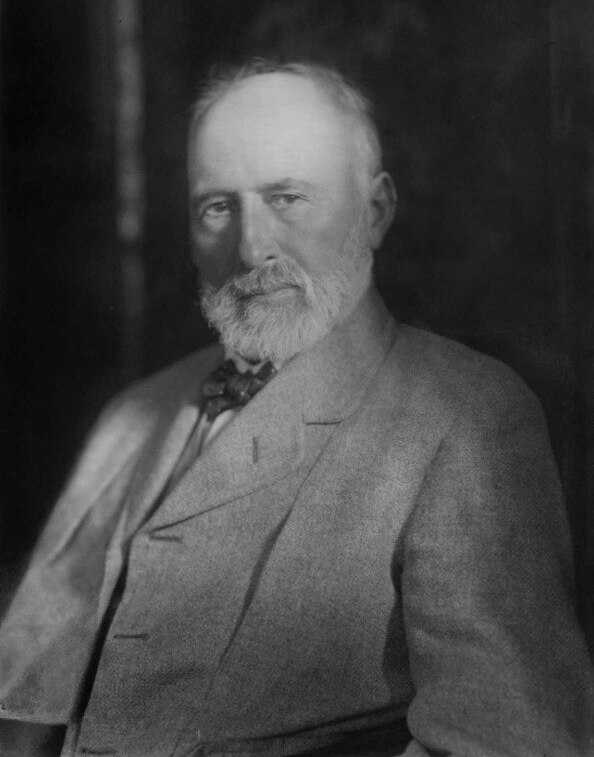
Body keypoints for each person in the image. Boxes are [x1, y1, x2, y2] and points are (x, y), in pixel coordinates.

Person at [0, 59, 592, 757]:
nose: (252, 247)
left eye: (287, 198)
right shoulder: (134, 413)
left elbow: (505, 739)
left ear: (374, 211)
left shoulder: (468, 415)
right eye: (217, 207)